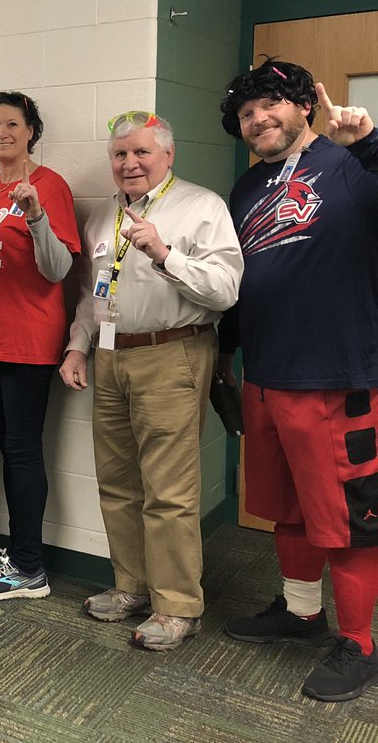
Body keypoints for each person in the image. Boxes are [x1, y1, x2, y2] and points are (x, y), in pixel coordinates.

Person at [217, 59, 378, 702]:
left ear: (305, 105)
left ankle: (360, 641)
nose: (258, 119)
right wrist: (225, 355)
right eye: (247, 113)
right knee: (285, 510)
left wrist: (367, 142)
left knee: (345, 519)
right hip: (266, 376)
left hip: (335, 375)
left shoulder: (351, 165)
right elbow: (235, 282)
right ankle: (302, 613)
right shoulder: (247, 190)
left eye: (271, 106)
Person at [59, 111, 242, 651]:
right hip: (112, 357)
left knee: (169, 489)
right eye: (120, 154)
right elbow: (95, 293)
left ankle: (178, 605)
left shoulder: (201, 206)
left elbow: (226, 289)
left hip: (173, 352)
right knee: (116, 481)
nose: (130, 163)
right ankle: (131, 587)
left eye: (141, 153)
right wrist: (77, 345)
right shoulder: (105, 215)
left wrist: (165, 254)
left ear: (168, 156)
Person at [0, 92, 80, 600]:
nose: (1, 133)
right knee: (7, 451)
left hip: (29, 341)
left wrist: (35, 217)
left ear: (31, 129)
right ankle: (18, 551)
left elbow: (58, 270)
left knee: (23, 453)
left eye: (12, 124)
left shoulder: (50, 187)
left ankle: (29, 568)